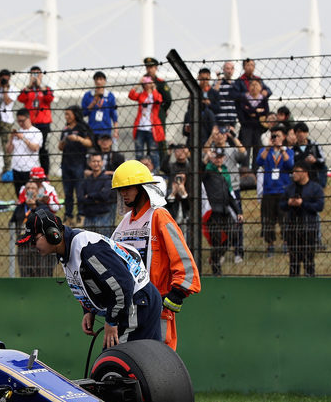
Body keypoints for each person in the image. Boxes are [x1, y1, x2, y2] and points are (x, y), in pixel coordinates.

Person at [17, 206, 163, 402]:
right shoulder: (68, 252)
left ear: (53, 234)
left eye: (34, 239)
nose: (32, 245)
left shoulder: (86, 248)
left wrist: (111, 321)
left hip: (132, 302)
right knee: (147, 373)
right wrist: (90, 311)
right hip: (139, 301)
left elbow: (122, 285)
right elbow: (91, 282)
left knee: (114, 372)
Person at [111, 160, 200, 352]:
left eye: (127, 187)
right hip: (129, 308)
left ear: (143, 188)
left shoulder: (159, 216)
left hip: (157, 306)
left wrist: (177, 294)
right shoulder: (125, 222)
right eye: (120, 189)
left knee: (160, 363)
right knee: (130, 362)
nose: (123, 193)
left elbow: (184, 259)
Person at [202, 148, 244, 276]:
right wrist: (205, 160)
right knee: (217, 240)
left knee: (234, 235)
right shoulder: (208, 172)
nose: (218, 159)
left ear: (224, 158)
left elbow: (230, 196)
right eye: (216, 157)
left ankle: (215, 258)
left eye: (221, 157)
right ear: (212, 158)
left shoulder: (224, 173)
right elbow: (199, 172)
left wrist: (238, 211)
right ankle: (216, 271)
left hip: (225, 211)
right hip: (213, 212)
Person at [255, 126, 295, 257]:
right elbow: (258, 161)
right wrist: (268, 147)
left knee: (285, 219)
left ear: (283, 137)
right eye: (273, 136)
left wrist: (282, 150)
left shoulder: (288, 151)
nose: (275, 138)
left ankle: (286, 242)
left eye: (278, 136)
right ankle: (270, 244)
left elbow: (290, 166)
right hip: (269, 190)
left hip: (283, 190)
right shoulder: (265, 151)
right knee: (268, 220)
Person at [280, 163, 323, 278]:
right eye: (293, 172)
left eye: (297, 171)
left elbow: (320, 206)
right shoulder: (290, 188)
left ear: (305, 172)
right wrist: (289, 203)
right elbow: (281, 205)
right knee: (294, 261)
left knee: (309, 260)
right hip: (292, 228)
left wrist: (303, 203)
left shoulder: (315, 188)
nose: (294, 174)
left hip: (309, 228)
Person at [57, 106, 92, 224]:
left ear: (75, 115)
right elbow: (60, 147)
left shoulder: (82, 127)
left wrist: (77, 138)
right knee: (67, 192)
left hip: (79, 163)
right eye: (65, 114)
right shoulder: (65, 129)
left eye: (68, 114)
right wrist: (64, 141)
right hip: (66, 163)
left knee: (80, 190)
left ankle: (81, 214)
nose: (66, 117)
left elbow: (89, 142)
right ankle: (68, 215)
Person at [18, 66, 55, 174]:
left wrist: (40, 86)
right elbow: (21, 99)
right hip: (30, 124)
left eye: (37, 74)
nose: (35, 77)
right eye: (33, 74)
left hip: (43, 124)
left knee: (43, 150)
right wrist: (29, 86)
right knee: (28, 149)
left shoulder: (46, 89)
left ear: (41, 75)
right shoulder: (27, 90)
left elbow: (49, 99)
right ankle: (29, 172)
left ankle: (45, 173)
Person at [127, 74, 164, 172]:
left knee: (153, 151)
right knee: (139, 152)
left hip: (152, 128)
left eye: (149, 82)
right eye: (146, 83)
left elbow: (158, 100)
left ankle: (156, 170)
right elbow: (131, 95)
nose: (147, 85)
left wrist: (154, 88)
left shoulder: (156, 94)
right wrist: (139, 83)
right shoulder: (141, 95)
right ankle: (138, 170)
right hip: (140, 127)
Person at [77, 152, 117, 237]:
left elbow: (105, 196)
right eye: (94, 161)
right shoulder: (86, 181)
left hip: (103, 216)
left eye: (98, 161)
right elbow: (80, 198)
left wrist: (89, 196)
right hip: (89, 216)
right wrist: (97, 197)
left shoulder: (107, 179)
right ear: (89, 163)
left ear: (102, 163)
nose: (96, 164)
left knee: (104, 241)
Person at [11, 179, 46, 277]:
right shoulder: (20, 207)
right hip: (23, 246)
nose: (30, 190)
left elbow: (45, 220)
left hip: (38, 245)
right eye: (28, 188)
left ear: (37, 191)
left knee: (41, 274)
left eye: (33, 188)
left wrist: (34, 207)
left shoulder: (43, 207)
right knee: (25, 273)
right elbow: (12, 221)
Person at [6, 108, 43, 195]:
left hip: (30, 169)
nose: (20, 123)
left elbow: (35, 148)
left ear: (28, 118)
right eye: (18, 121)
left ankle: (30, 208)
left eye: (22, 121)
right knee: (19, 193)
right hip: (17, 168)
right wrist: (11, 138)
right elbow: (8, 150)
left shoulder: (36, 132)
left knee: (30, 194)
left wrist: (23, 138)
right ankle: (22, 207)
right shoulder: (18, 132)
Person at [143, 57, 172, 167]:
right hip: (146, 117)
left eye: (151, 67)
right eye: (148, 67)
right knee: (148, 141)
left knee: (159, 140)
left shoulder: (160, 83)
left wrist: (162, 111)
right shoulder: (144, 82)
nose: (149, 69)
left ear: (156, 68)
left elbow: (168, 99)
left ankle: (162, 164)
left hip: (158, 116)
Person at [237, 78, 270, 165]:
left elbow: (265, 112)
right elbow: (242, 112)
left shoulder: (263, 99)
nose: (254, 87)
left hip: (258, 128)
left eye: (256, 85)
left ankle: (256, 169)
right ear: (248, 87)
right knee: (246, 149)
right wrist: (257, 111)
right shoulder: (244, 98)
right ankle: (245, 169)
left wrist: (251, 112)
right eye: (252, 85)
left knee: (258, 149)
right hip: (246, 127)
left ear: (261, 87)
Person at [183, 68, 217, 148]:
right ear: (198, 78)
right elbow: (189, 109)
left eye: (206, 79)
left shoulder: (213, 93)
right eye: (202, 79)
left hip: (208, 126)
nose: (204, 81)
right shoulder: (193, 92)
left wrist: (209, 104)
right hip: (193, 136)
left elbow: (218, 108)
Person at [81, 71, 118, 144]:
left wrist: (116, 131)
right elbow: (83, 113)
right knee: (92, 152)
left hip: (105, 129)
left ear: (105, 81)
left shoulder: (110, 96)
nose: (98, 82)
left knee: (105, 151)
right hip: (92, 129)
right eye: (96, 79)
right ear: (94, 81)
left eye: (101, 79)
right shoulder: (88, 95)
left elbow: (114, 115)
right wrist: (94, 102)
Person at [212, 61, 241, 132]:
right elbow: (214, 94)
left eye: (231, 69)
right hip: (220, 118)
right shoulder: (217, 83)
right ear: (223, 70)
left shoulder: (235, 84)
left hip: (232, 119)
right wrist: (219, 80)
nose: (229, 71)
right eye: (227, 69)